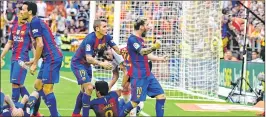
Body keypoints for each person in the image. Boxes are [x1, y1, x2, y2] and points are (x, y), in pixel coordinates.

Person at [70, 18, 121, 117]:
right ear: (97, 28)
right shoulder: (90, 39)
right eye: (104, 26)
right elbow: (89, 58)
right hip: (78, 64)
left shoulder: (107, 37)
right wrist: (102, 64)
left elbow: (117, 49)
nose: (107, 28)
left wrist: (123, 51)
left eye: (107, 26)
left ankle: (75, 114)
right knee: (89, 88)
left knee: (84, 90)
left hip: (87, 66)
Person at [21, 2, 63, 116]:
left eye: (23, 9)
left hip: (52, 57)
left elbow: (40, 45)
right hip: (47, 58)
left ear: (30, 12)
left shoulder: (34, 22)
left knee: (47, 89)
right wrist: (34, 59)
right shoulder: (31, 24)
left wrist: (35, 63)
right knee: (38, 85)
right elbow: (39, 44)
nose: (21, 11)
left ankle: (55, 115)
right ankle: (43, 113)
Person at [101, 45, 168, 116]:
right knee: (132, 96)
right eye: (105, 57)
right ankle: (134, 109)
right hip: (137, 71)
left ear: (110, 48)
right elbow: (115, 76)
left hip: (142, 69)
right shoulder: (112, 59)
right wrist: (105, 91)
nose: (108, 57)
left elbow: (126, 73)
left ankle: (133, 109)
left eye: (107, 54)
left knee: (160, 96)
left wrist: (122, 86)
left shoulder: (119, 52)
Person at [119, 18, 166, 117]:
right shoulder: (132, 39)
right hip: (139, 75)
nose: (149, 27)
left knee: (161, 96)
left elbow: (145, 55)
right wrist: (154, 47)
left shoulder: (140, 39)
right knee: (135, 102)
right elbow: (142, 51)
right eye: (147, 24)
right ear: (141, 27)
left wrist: (159, 58)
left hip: (148, 74)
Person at [1, 7, 31, 104]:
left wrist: (35, 60)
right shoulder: (13, 28)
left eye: (24, 15)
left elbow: (35, 45)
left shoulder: (29, 28)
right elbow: (9, 43)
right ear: (18, 15)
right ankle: (32, 104)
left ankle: (14, 108)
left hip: (23, 60)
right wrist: (1, 56)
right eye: (21, 14)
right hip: (14, 59)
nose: (23, 16)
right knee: (19, 84)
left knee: (15, 84)